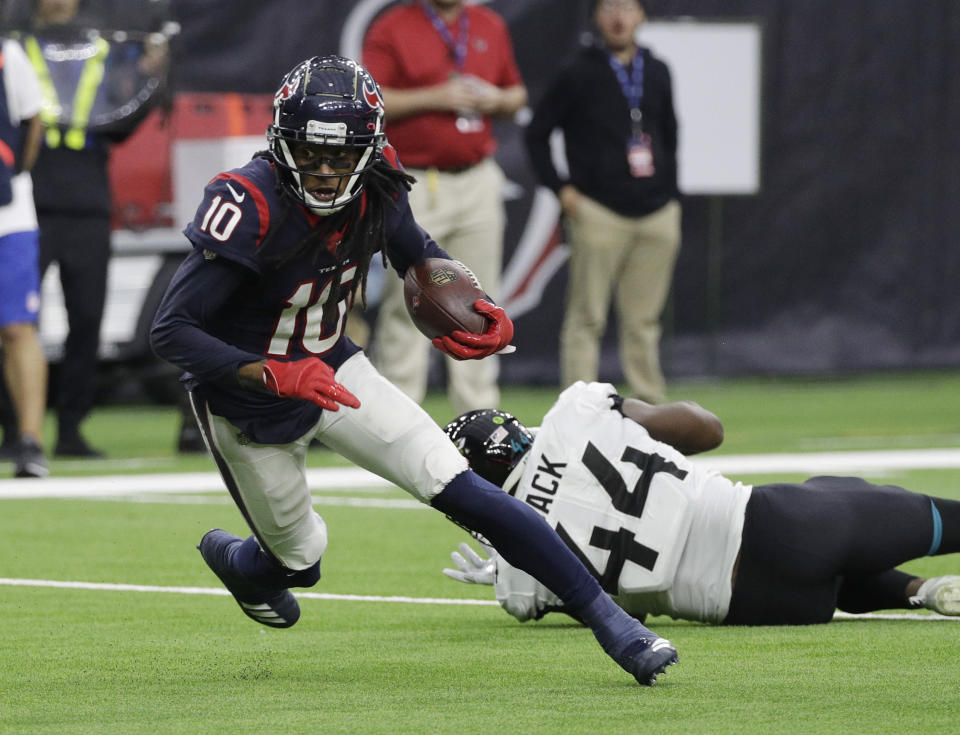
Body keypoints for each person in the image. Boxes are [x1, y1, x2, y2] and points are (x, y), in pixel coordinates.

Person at [150, 56, 678, 687]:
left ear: (367, 150)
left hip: (334, 368)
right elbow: (172, 330)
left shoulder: (377, 184)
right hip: (247, 404)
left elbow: (419, 255)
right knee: (301, 561)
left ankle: (615, 625)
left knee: (455, 482)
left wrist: (475, 306)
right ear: (281, 143)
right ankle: (243, 562)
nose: (323, 170)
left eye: (340, 156)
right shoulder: (251, 200)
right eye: (309, 153)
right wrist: (270, 374)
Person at [441, 381, 960, 625]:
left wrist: (523, 553)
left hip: (752, 607)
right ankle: (924, 579)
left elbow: (625, 618)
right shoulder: (574, 415)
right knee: (837, 488)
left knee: (837, 579)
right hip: (779, 526)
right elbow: (707, 430)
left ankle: (924, 591)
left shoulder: (517, 576)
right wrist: (623, 421)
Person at [363, 0, 527, 414]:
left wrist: (495, 98)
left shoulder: (488, 24)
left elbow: (517, 94)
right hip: (416, 178)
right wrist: (436, 96)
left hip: (476, 175)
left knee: (482, 299)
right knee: (407, 301)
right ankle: (399, 416)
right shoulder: (393, 26)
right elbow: (372, 100)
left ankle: (482, 415)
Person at [24, 0, 169, 457]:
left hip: (88, 201)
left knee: (86, 320)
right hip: (28, 205)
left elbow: (123, 114)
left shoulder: (103, 50)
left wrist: (149, 70)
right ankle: (17, 430)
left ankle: (71, 430)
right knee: (15, 324)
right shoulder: (18, 48)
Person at [524, 0, 680, 403]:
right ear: (596, 16)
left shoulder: (658, 70)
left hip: (656, 210)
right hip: (598, 210)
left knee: (644, 320)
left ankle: (652, 408)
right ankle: (579, 406)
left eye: (627, 7)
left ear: (642, 15)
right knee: (586, 317)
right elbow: (536, 134)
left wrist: (671, 195)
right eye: (610, 7)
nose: (619, 17)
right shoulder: (577, 71)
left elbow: (669, 135)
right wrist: (561, 190)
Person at [0, 34, 48, 478]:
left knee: (17, 327)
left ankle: (30, 441)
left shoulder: (6, 52)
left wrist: (14, 177)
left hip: (7, 217)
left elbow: (33, 119)